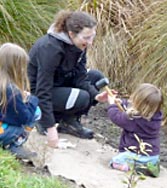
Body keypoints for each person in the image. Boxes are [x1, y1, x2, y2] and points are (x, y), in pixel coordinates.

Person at [27, 10, 108, 148]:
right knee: (82, 97)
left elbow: (80, 77)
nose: (90, 42)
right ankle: (43, 120)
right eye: (86, 38)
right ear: (71, 34)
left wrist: (96, 95)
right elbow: (42, 90)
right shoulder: (50, 49)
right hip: (41, 93)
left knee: (96, 77)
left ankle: (69, 121)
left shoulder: (79, 45)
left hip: (60, 83)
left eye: (92, 37)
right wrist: (51, 129)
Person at [107, 83, 163, 177]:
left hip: (136, 154)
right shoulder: (156, 116)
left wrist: (112, 104)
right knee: (150, 160)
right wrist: (121, 103)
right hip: (153, 156)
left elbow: (116, 117)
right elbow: (129, 107)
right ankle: (151, 166)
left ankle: (134, 168)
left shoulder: (134, 118)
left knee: (115, 162)